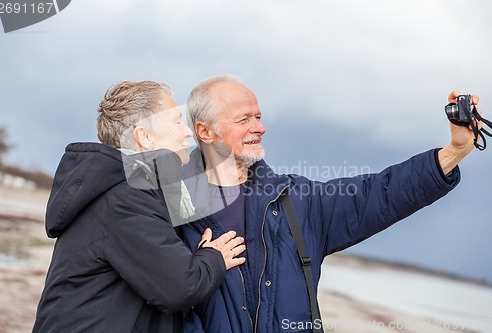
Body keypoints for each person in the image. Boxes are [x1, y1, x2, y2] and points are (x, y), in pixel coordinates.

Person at [180, 75, 482, 332]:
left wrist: (453, 152)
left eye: (258, 117)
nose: (259, 128)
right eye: (242, 119)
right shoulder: (168, 209)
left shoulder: (295, 201)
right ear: (205, 131)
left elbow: (377, 194)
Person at [32, 80, 247, 333]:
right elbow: (179, 286)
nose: (188, 132)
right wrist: (214, 257)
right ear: (144, 136)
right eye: (177, 122)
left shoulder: (129, 187)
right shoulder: (125, 196)